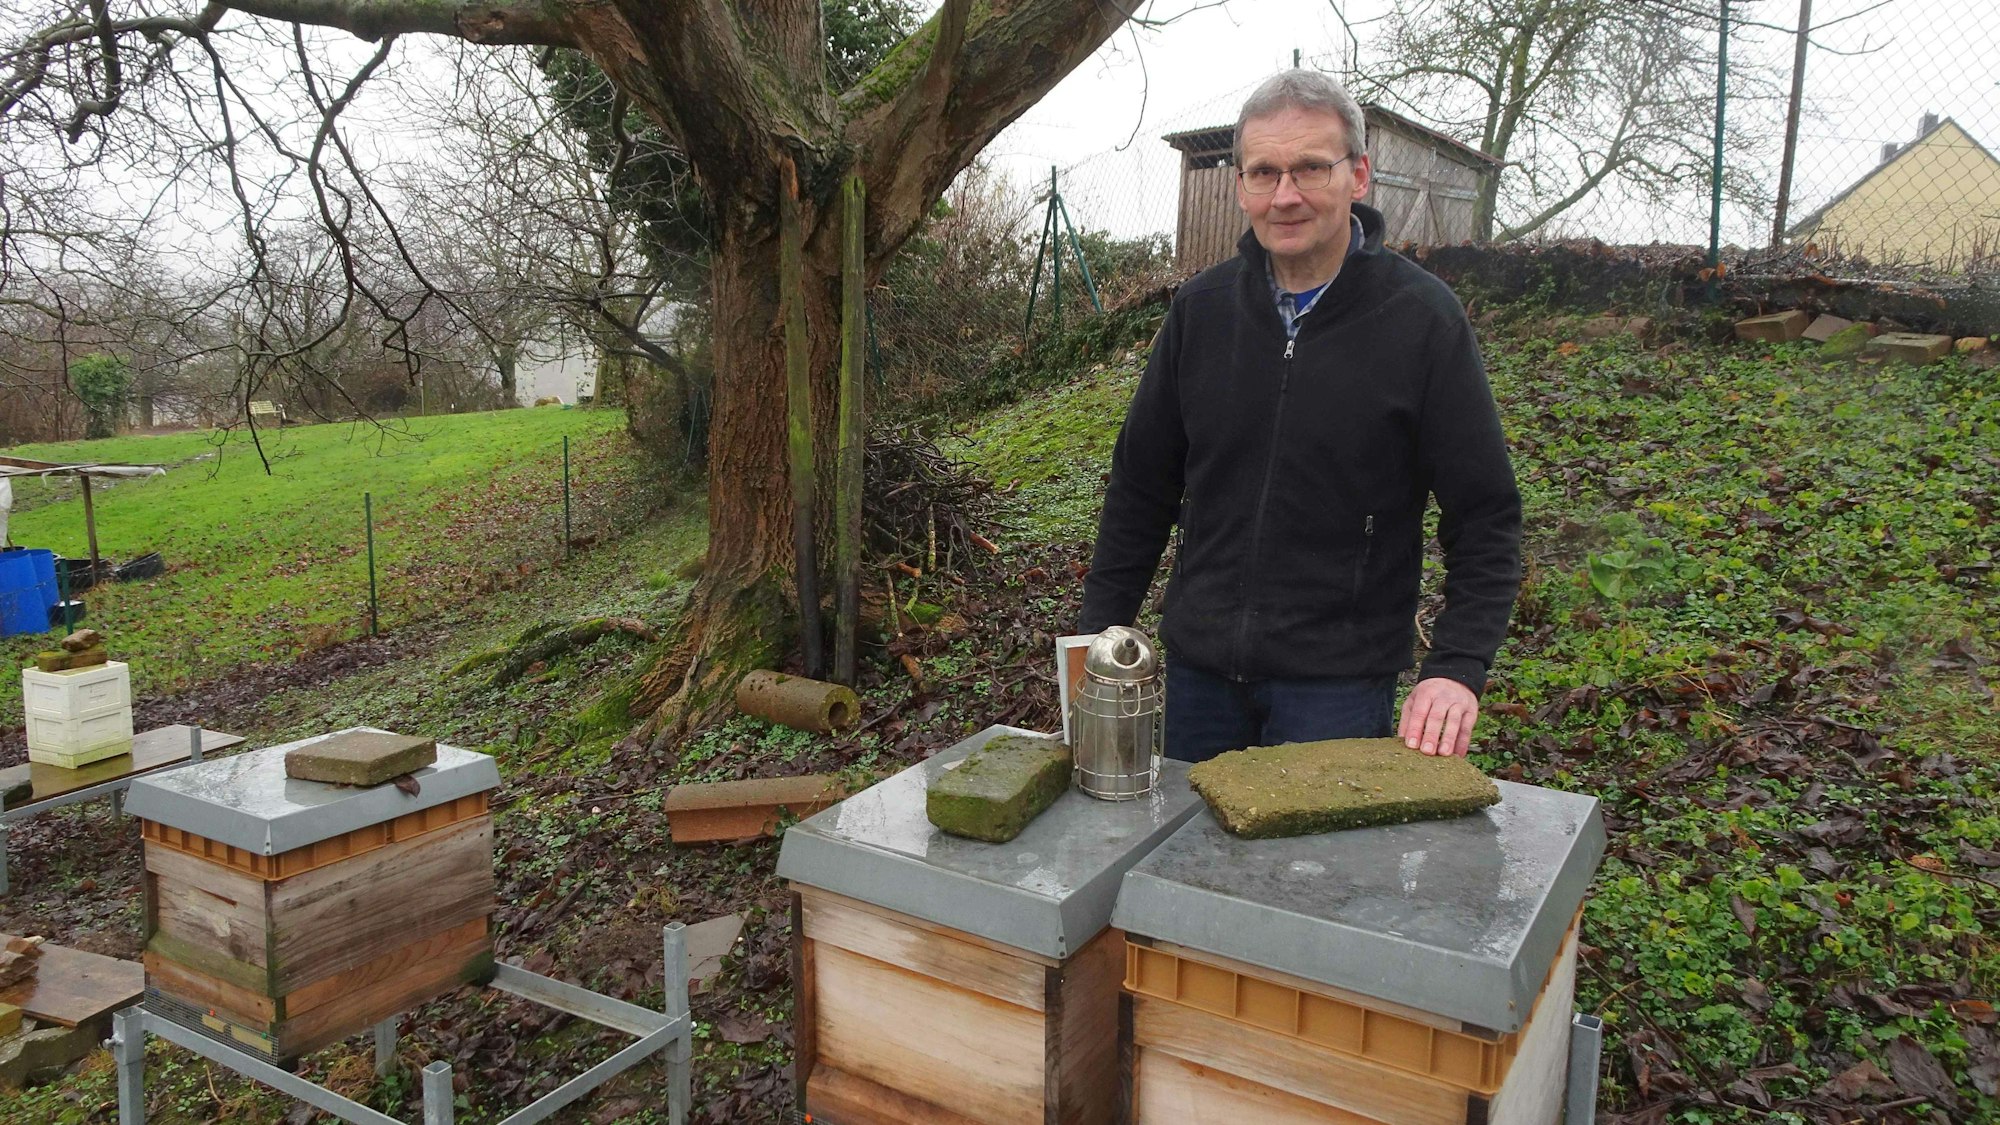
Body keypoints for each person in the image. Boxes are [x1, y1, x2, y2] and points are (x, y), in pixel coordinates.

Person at [1077, 69, 1522, 763]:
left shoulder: (1423, 321)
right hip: (1199, 680)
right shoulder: (1200, 311)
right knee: (1186, 868)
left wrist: (1457, 666)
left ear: (1359, 175)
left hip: (1336, 686)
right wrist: (1092, 639)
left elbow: (1486, 515)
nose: (1284, 195)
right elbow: (1140, 487)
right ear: (1241, 187)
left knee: (1312, 874)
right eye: (1264, 172)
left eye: (1311, 168)